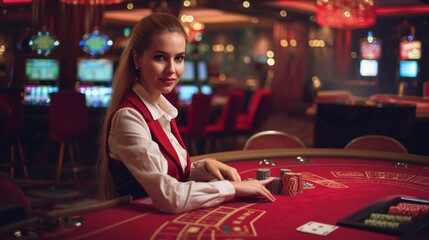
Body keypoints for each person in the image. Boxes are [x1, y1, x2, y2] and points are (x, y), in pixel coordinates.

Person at [98, 12, 275, 214]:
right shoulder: (129, 117)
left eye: (179, 58)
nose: (171, 69)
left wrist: (201, 168)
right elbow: (169, 196)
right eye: (160, 57)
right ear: (137, 58)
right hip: (141, 226)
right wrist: (232, 188)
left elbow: (173, 176)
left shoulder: (162, 110)